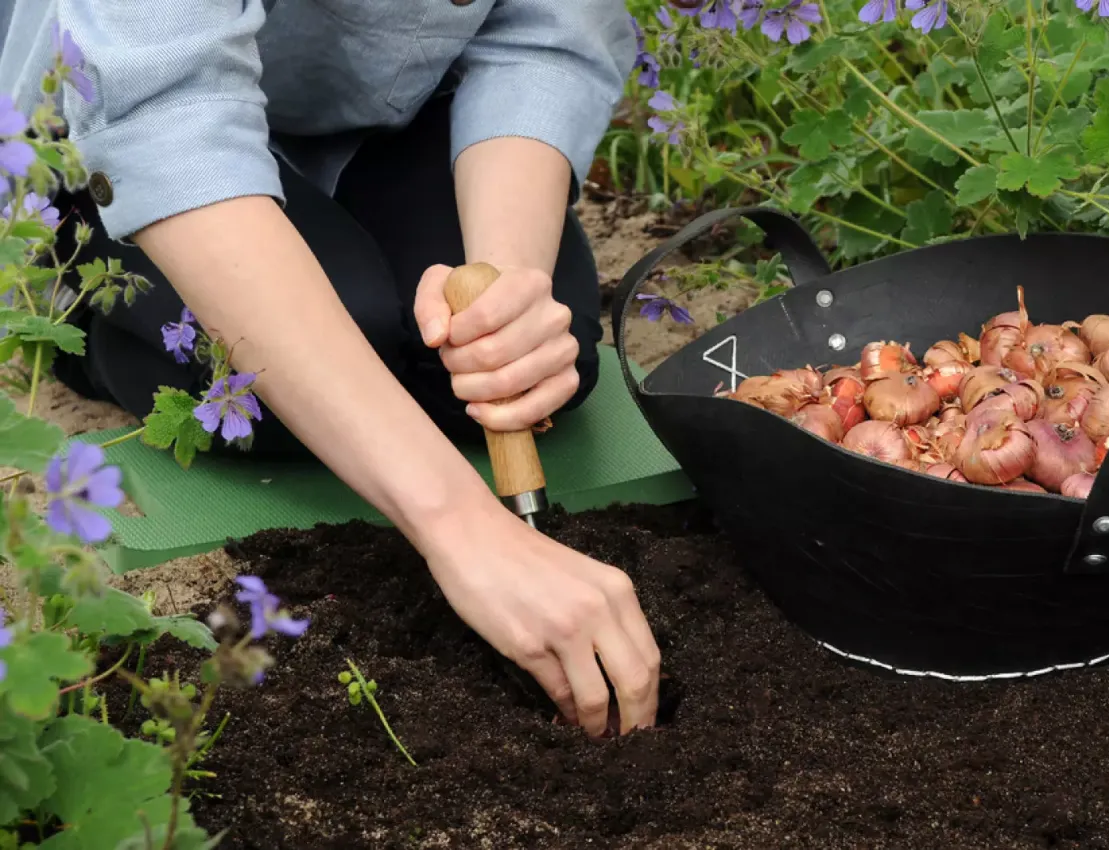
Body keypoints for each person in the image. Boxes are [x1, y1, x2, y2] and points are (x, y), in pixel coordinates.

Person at [0, 0, 661, 738]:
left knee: (506, 367)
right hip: (131, 120)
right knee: (272, 395)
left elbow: (547, 34)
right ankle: (82, 317)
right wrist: (465, 529)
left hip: (388, 110)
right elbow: (165, 112)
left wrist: (500, 310)